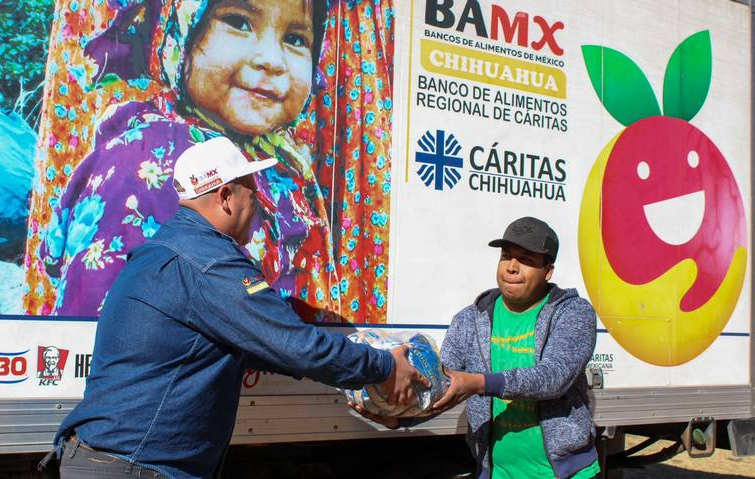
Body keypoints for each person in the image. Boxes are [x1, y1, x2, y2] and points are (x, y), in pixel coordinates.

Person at [44, 137, 429, 479]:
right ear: (226, 197)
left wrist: (340, 367)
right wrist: (383, 366)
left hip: (108, 457)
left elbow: (259, 347)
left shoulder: (162, 249)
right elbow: (294, 345)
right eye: (253, 195)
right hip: (137, 466)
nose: (259, 207)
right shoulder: (210, 262)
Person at [36, 0, 338, 319]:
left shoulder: (275, 160)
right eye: (238, 22)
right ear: (179, 32)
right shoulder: (151, 162)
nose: (272, 60)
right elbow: (105, 321)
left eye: (295, 39)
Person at [351, 216, 600, 479]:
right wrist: (401, 418)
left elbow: (554, 377)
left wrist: (477, 382)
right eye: (506, 256)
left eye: (526, 259)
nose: (512, 267)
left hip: (568, 474)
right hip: (496, 474)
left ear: (548, 271)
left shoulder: (573, 313)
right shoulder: (469, 320)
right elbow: (442, 386)